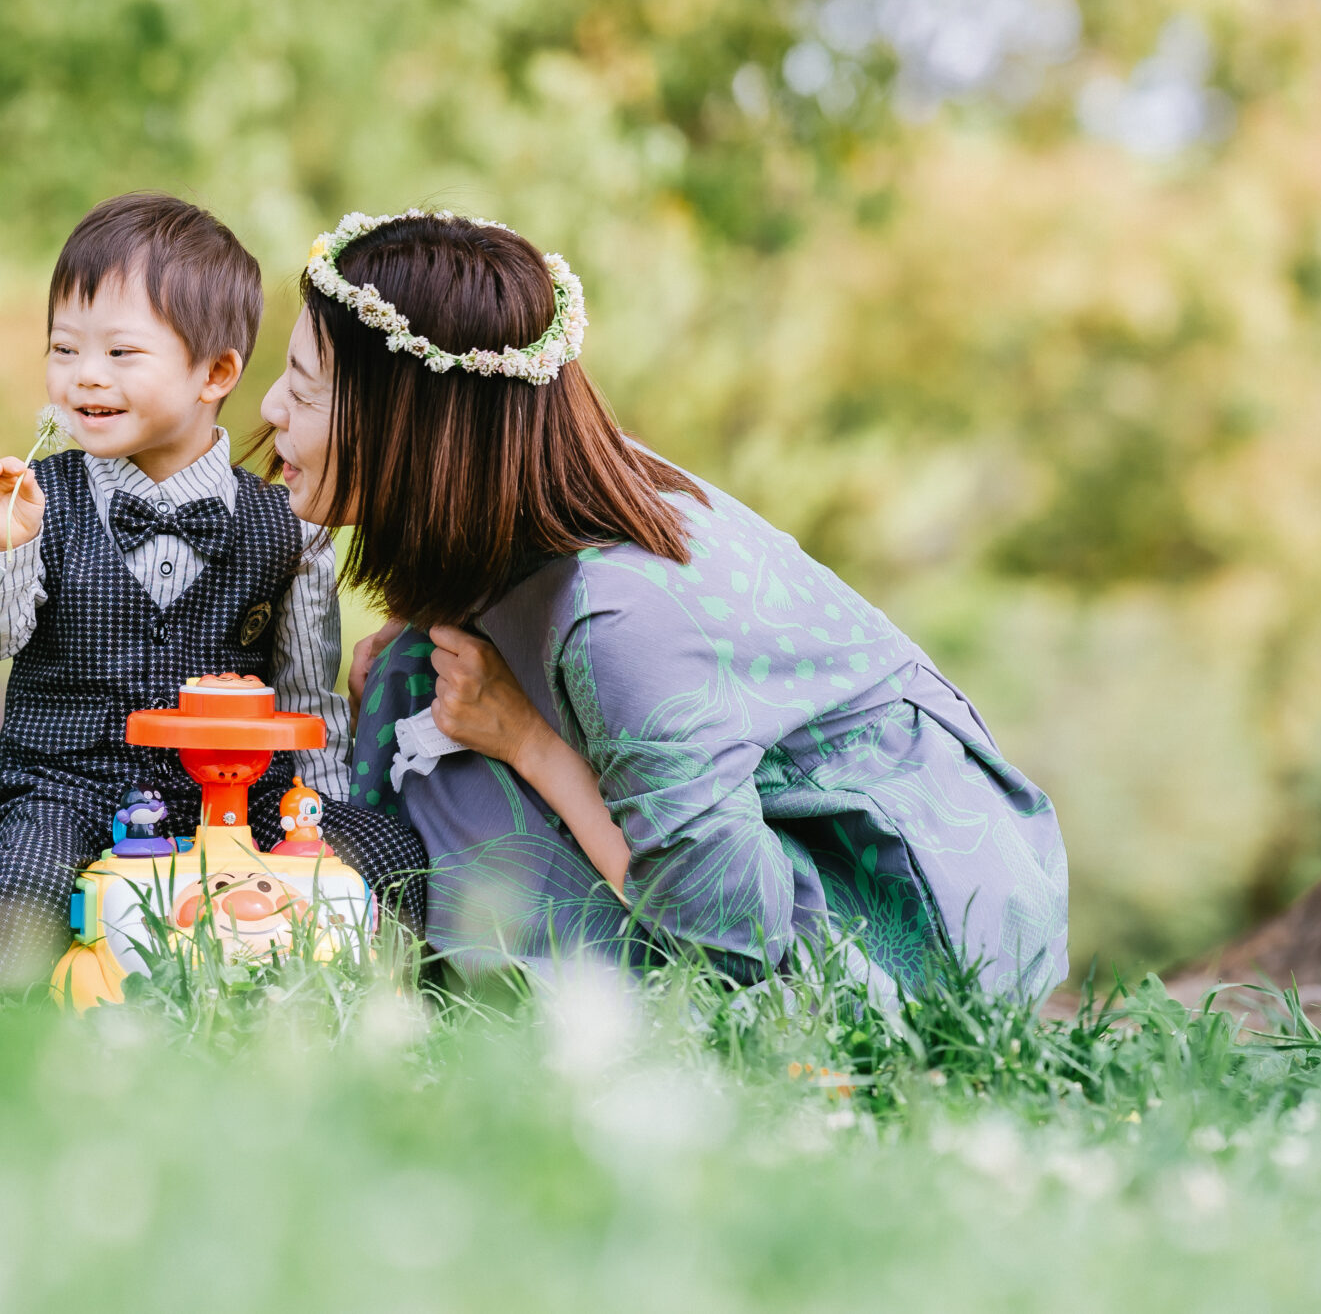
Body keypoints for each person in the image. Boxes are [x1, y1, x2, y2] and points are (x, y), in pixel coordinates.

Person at [256, 208, 1070, 1002]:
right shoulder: (530, 482)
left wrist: (529, 742)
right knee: (415, 676)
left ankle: (498, 997)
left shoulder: (619, 619)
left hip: (912, 921)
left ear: (416, 423)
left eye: (303, 388)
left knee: (448, 755)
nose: (269, 409)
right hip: (804, 854)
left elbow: (733, 941)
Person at [0, 193, 429, 994]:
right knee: (20, 901)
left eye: (121, 352)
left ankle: (380, 1013)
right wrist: (5, 544)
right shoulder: (33, 499)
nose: (85, 374)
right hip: (67, 788)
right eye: (64, 347)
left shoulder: (292, 525)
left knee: (391, 853)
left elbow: (307, 697)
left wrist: (316, 815)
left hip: (245, 796)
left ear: (216, 372)